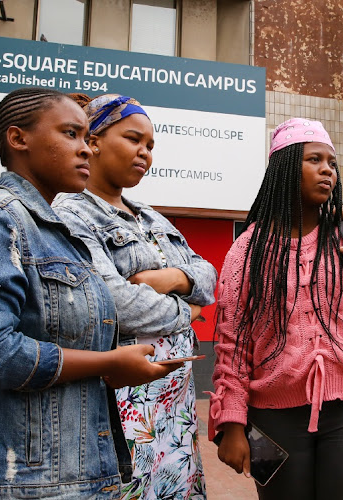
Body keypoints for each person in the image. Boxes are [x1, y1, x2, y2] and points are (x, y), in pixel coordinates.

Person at [0, 88, 178, 500]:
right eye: (70, 134)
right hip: (14, 486)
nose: (85, 150)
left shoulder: (58, 235)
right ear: (18, 138)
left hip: (77, 477)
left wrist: (110, 369)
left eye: (86, 138)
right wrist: (106, 362)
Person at [209, 118, 343, 500]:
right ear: (285, 170)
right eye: (314, 160)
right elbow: (231, 345)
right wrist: (232, 423)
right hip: (272, 416)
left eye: (332, 164)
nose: (327, 171)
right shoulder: (246, 251)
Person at [54, 94, 217, 500]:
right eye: (133, 139)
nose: (144, 152)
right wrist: (190, 309)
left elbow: (209, 275)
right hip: (122, 399)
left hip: (174, 402)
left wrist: (167, 278)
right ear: (92, 140)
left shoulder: (150, 216)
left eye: (150, 146)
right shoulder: (71, 214)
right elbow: (114, 302)